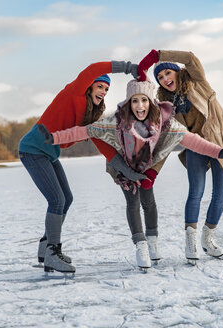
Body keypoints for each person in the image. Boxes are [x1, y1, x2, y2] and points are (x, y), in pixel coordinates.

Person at [42, 79, 223, 269]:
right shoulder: (117, 122)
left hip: (146, 166)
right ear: (129, 103)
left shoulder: (164, 122)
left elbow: (191, 140)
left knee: (149, 202)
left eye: (143, 100)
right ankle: (141, 245)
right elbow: (86, 131)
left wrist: (218, 152)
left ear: (151, 102)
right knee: (133, 202)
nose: (139, 105)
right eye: (134, 100)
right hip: (124, 166)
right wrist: (54, 138)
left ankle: (152, 241)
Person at [18, 61, 145, 274]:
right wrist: (127, 67)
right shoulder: (75, 93)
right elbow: (94, 69)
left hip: (48, 153)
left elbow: (104, 146)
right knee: (56, 199)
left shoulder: (90, 118)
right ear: (89, 86)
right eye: (100, 86)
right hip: (33, 149)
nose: (103, 91)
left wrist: (128, 171)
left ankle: (46, 246)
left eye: (106, 89)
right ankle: (52, 251)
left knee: (66, 198)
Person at [138, 49, 223, 262]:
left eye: (167, 73)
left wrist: (158, 56)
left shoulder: (198, 82)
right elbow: (168, 138)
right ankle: (190, 242)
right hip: (195, 148)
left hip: (222, 144)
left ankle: (208, 239)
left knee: (220, 195)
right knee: (196, 192)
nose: (165, 79)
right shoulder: (168, 106)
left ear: (177, 72)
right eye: (160, 77)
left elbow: (191, 59)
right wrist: (152, 170)